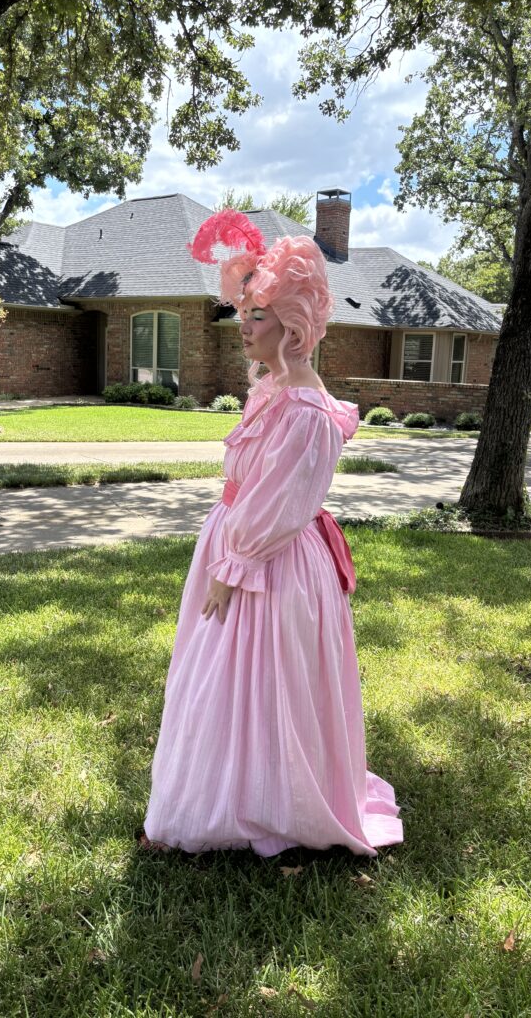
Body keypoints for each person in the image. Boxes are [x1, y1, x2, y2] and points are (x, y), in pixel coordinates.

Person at [141, 210, 402, 857]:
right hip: (240, 547)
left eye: (256, 314)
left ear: (293, 324)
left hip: (269, 562)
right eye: (242, 311)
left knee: (259, 678)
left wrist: (234, 569)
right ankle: (225, 791)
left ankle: (258, 802)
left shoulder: (309, 412)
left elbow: (280, 506)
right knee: (221, 678)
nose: (243, 326)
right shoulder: (275, 392)